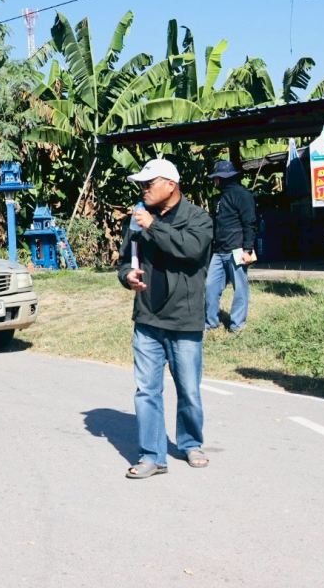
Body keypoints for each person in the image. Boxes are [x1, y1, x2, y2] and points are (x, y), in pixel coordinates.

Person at [117, 158, 213, 479]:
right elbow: (124, 259)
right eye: (141, 185)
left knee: (188, 389)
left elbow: (190, 250)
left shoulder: (198, 218)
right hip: (147, 316)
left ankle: (190, 442)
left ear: (171, 185)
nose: (143, 190)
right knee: (147, 390)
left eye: (149, 184)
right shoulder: (138, 219)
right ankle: (152, 455)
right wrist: (127, 275)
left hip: (184, 319)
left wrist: (151, 226)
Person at [204, 160, 257, 333]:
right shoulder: (219, 198)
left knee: (240, 289)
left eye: (216, 178)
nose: (215, 182)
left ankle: (237, 324)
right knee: (211, 286)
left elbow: (249, 224)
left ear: (222, 178)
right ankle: (210, 323)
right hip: (219, 251)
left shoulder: (242, 195)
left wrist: (248, 250)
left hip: (237, 250)